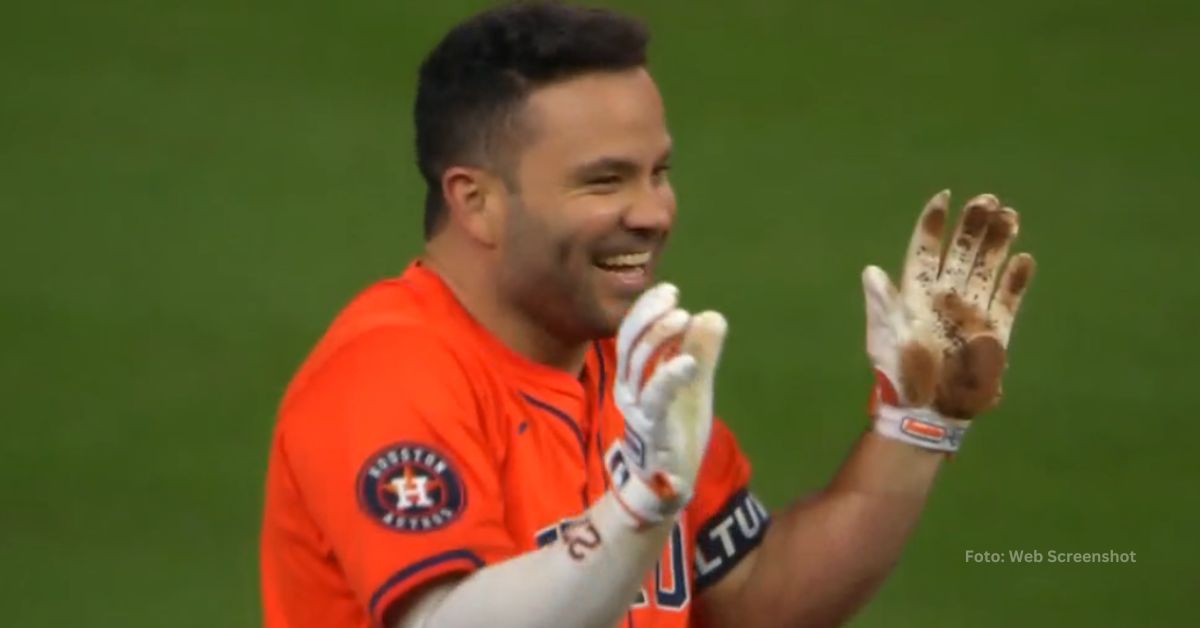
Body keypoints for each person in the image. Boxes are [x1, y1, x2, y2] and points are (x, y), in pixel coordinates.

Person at [259, 2, 1037, 627]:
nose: (653, 212)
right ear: (477, 202)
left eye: (658, 172)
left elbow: (753, 599)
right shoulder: (391, 374)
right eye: (605, 182)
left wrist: (918, 424)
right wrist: (639, 503)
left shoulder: (638, 372)